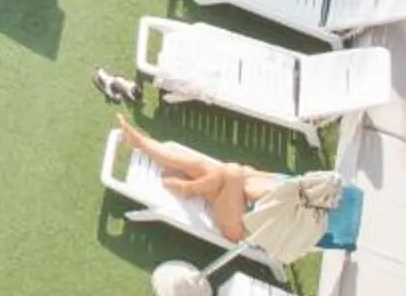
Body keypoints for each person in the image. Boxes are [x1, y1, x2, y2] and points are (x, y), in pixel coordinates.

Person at [105, 103, 278, 245]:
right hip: (237, 205)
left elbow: (252, 190)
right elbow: (253, 178)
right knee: (203, 166)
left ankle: (188, 189)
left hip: (240, 230)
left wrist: (242, 181)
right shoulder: (295, 186)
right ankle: (139, 142)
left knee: (233, 173)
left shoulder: (294, 201)